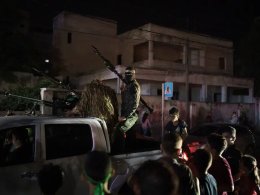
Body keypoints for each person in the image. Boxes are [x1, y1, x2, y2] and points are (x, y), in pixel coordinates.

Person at [113, 67, 141, 152]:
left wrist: (125, 116)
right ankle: (128, 152)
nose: (127, 76)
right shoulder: (129, 85)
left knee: (119, 130)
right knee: (130, 135)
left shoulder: (134, 86)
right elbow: (125, 101)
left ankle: (119, 153)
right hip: (126, 114)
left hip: (131, 115)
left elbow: (134, 104)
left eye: (130, 74)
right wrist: (122, 91)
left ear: (133, 75)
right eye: (126, 74)